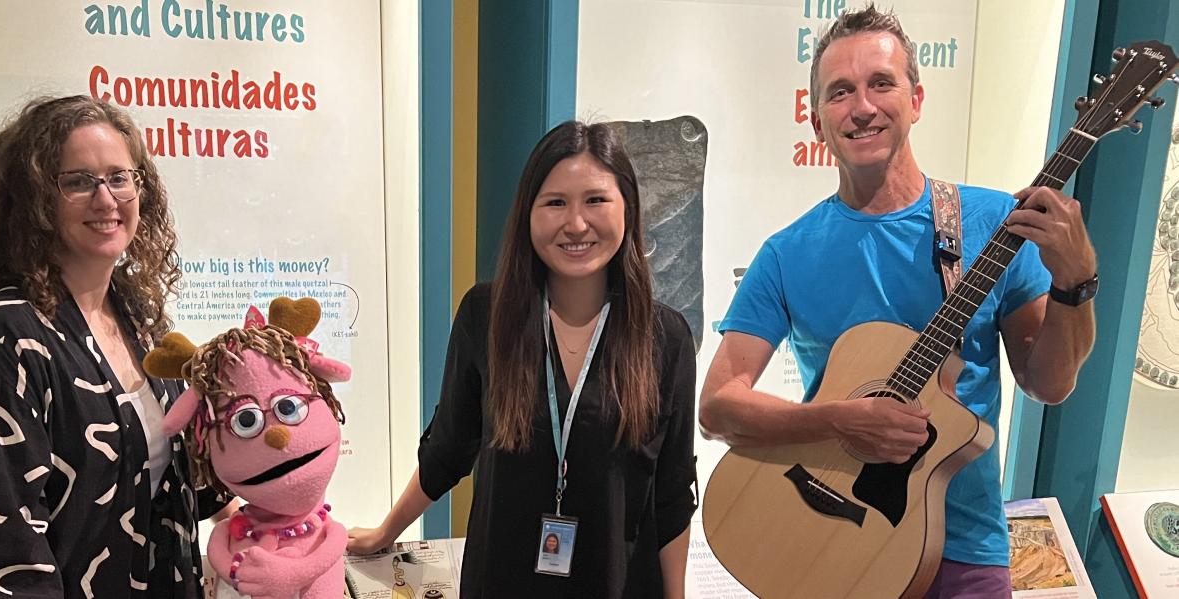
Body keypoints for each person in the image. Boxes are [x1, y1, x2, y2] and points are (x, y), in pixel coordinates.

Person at [699, 5, 1097, 598]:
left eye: (881, 83)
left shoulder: (993, 222)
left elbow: (1049, 384)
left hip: (964, 547)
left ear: (916, 99)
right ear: (816, 120)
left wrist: (1075, 284)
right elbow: (718, 407)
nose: (862, 106)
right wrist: (837, 418)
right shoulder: (786, 252)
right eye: (840, 92)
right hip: (831, 546)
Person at [347, 121, 698, 598]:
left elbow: (673, 494)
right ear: (528, 214)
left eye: (595, 200)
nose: (576, 224)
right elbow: (449, 446)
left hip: (617, 582)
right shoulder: (486, 315)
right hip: (502, 579)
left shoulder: (665, 336)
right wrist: (387, 532)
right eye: (555, 202)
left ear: (628, 208)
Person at [0, 95, 228, 598]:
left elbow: (166, 485)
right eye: (78, 181)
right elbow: (6, 552)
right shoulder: (3, 334)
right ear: (35, 198)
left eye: (119, 177)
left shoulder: (138, 319)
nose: (106, 199)